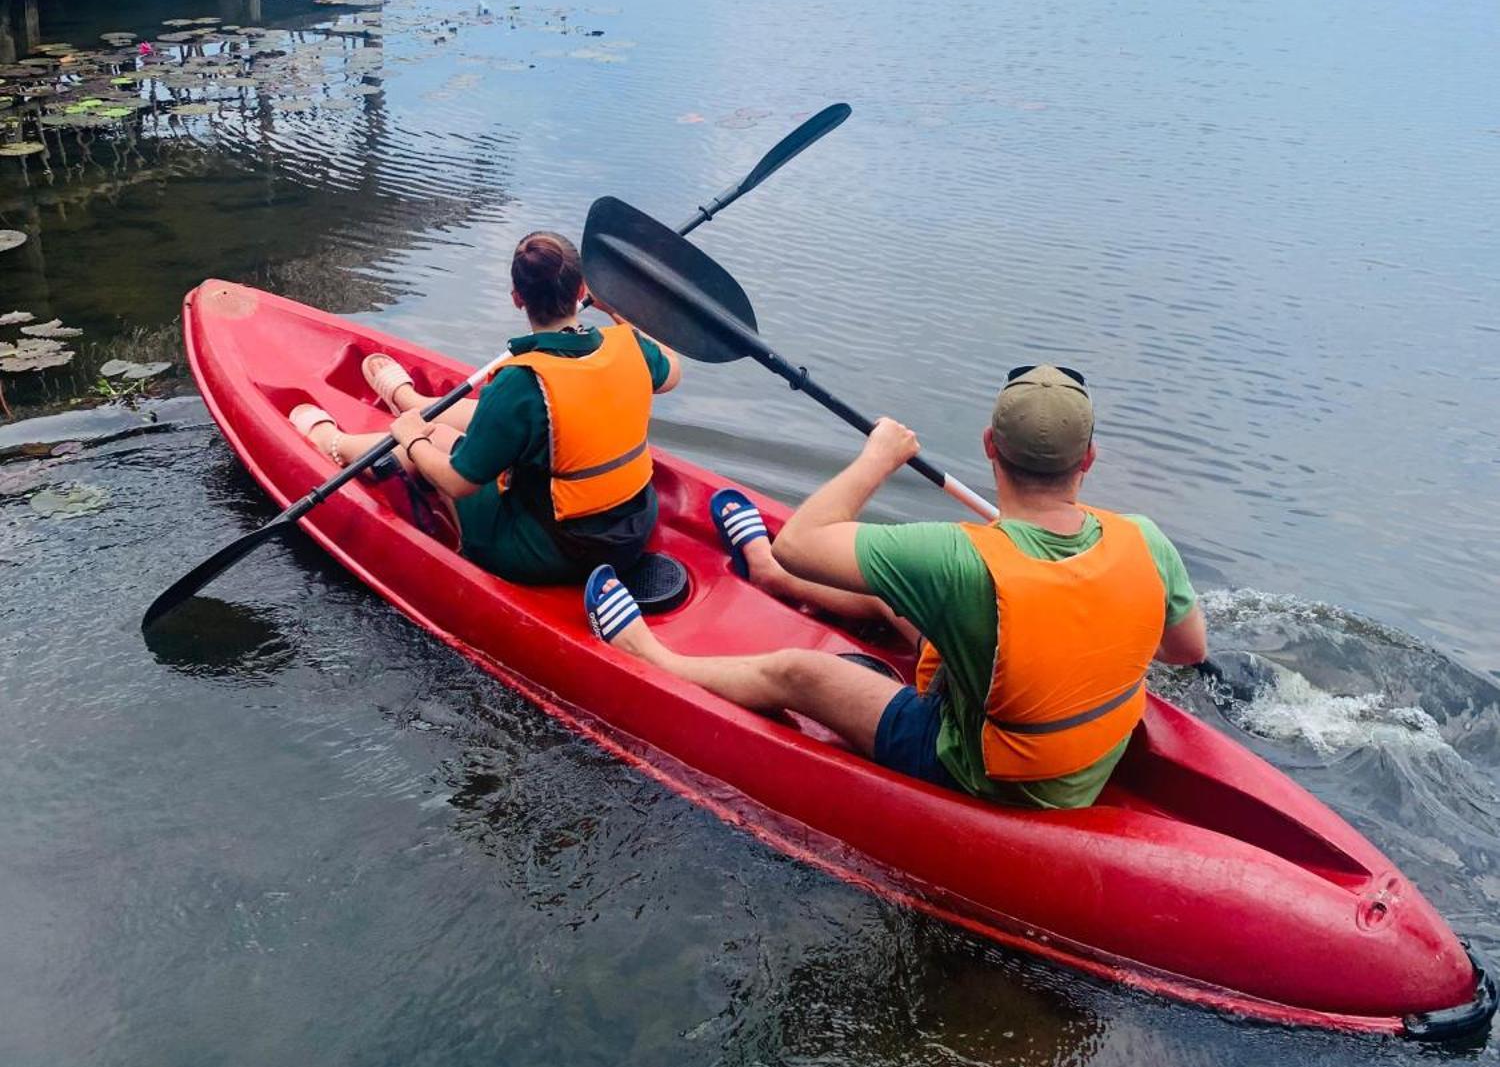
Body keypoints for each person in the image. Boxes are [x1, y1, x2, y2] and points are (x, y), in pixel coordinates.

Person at [586, 364, 1207, 809]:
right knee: (900, 589)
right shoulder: (1144, 538)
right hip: (1081, 752)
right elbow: (1185, 650)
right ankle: (769, 578)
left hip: (987, 770)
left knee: (802, 674)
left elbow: (802, 539)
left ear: (990, 447)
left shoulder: (957, 557)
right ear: (1089, 460)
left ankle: (653, 657)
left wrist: (878, 456)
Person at [289, 231, 680, 584]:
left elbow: (458, 483)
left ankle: (335, 444)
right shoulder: (629, 344)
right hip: (634, 527)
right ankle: (415, 403)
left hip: (559, 551)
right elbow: (671, 372)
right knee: (500, 418)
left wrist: (410, 441)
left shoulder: (521, 381)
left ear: (517, 297)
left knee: (438, 437)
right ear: (581, 289)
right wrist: (619, 311)